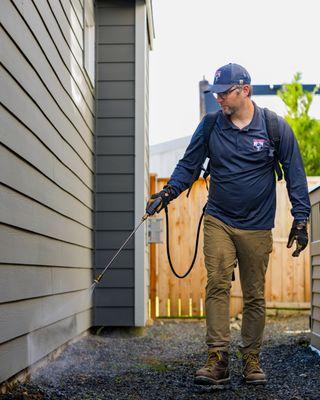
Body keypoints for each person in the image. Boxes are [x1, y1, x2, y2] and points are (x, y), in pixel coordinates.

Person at [146, 63, 310, 387]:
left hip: (258, 225)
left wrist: (301, 219)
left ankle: (251, 359)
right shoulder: (210, 127)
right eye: (217, 94)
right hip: (219, 219)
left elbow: (295, 173)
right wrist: (168, 192)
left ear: (245, 90)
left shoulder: (275, 127)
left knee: (254, 294)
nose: (219, 99)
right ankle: (218, 359)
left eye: (225, 93)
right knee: (217, 284)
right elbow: (188, 166)